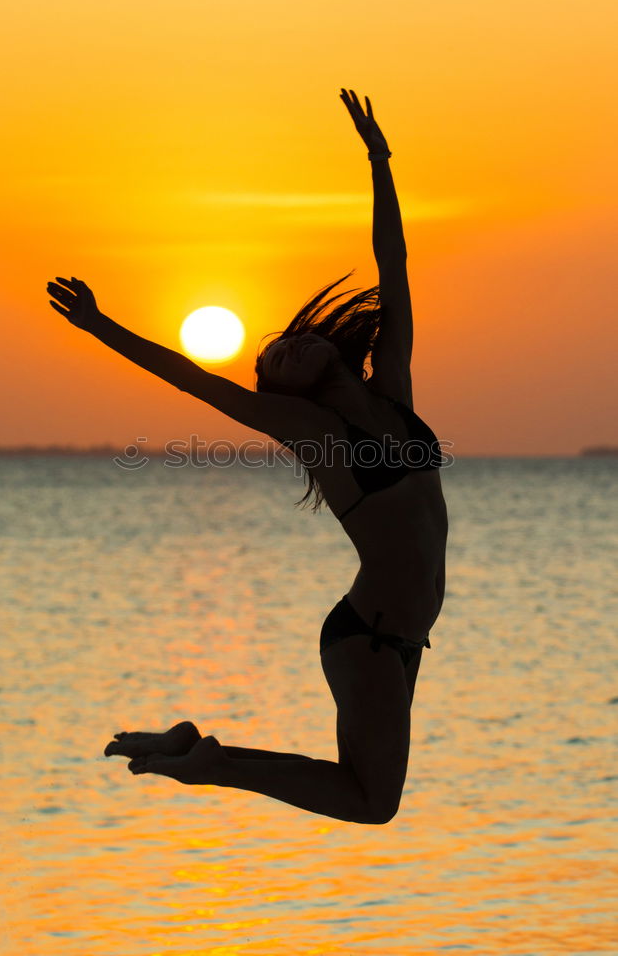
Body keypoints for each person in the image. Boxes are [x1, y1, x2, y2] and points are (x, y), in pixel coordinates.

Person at [46, 88, 448, 825]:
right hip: (368, 636)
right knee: (371, 803)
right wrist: (102, 326)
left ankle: (199, 755)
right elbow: (191, 378)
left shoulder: (392, 388)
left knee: (365, 792)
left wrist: (380, 161)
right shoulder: (311, 430)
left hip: (402, 637)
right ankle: (207, 766)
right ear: (281, 391)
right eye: (274, 360)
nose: (287, 348)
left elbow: (395, 266)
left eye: (288, 341)